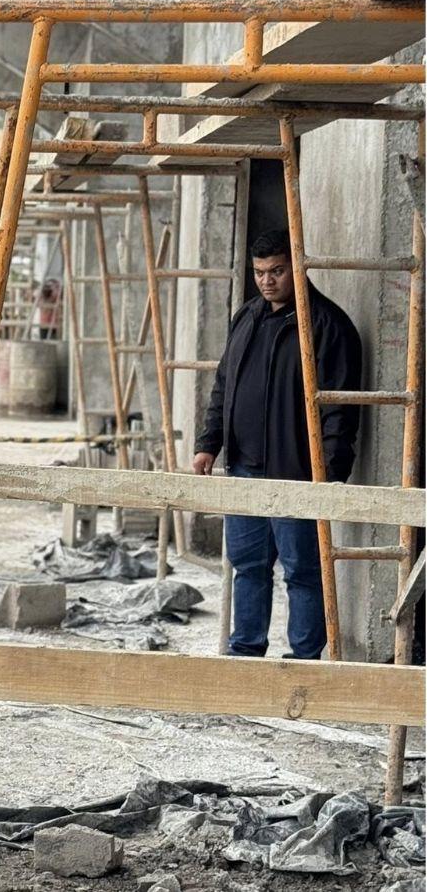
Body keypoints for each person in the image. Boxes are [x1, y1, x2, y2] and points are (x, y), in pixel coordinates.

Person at [193, 228, 361, 661]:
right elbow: (224, 385)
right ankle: (246, 652)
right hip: (244, 469)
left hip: (297, 472)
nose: (267, 281)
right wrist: (209, 442)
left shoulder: (327, 325)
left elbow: (339, 410)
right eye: (260, 272)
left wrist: (330, 473)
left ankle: (305, 659)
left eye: (277, 271)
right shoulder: (247, 317)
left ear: (297, 268)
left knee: (303, 570)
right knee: (248, 566)